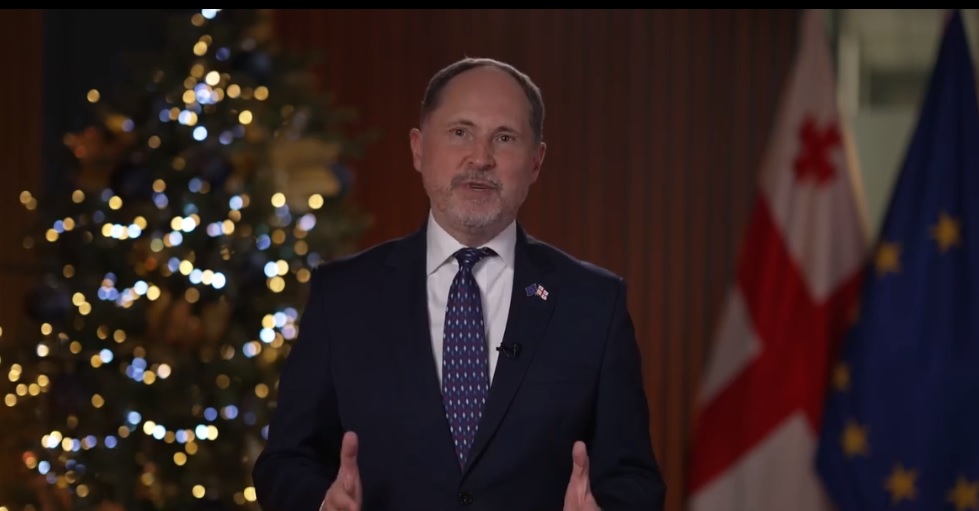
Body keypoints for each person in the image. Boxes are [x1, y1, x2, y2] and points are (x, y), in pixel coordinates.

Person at [251, 56, 666, 511]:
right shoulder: (343, 296)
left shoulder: (594, 304)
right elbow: (285, 462)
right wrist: (319, 504)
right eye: (460, 132)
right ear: (418, 149)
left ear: (536, 162)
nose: (481, 158)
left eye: (504, 138)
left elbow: (634, 478)